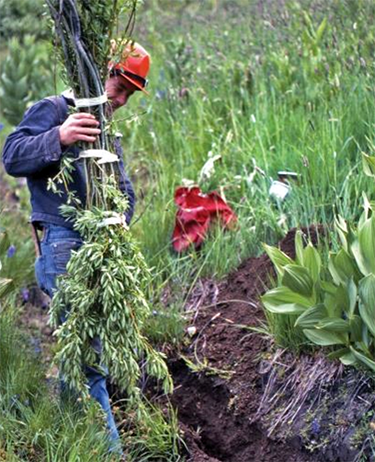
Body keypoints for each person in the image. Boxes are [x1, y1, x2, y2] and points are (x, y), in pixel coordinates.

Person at [2, 42, 150, 457]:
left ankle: (74, 440)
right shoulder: (53, 108)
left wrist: (121, 214)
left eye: (129, 94)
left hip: (98, 250)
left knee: (79, 356)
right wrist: (60, 136)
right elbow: (11, 155)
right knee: (88, 360)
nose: (120, 99)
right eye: (119, 86)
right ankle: (108, 453)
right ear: (101, 70)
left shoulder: (105, 129)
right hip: (63, 242)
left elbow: (124, 189)